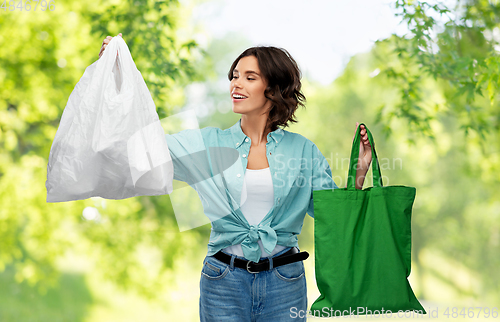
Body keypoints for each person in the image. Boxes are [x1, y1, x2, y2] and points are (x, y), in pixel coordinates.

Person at [99, 34, 372, 322]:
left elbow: (336, 216)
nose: (236, 84)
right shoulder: (207, 146)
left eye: (249, 77)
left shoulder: (303, 151)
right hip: (222, 281)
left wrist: (359, 172)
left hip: (285, 282)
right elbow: (143, 145)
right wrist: (120, 77)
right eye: (234, 76)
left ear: (273, 88)